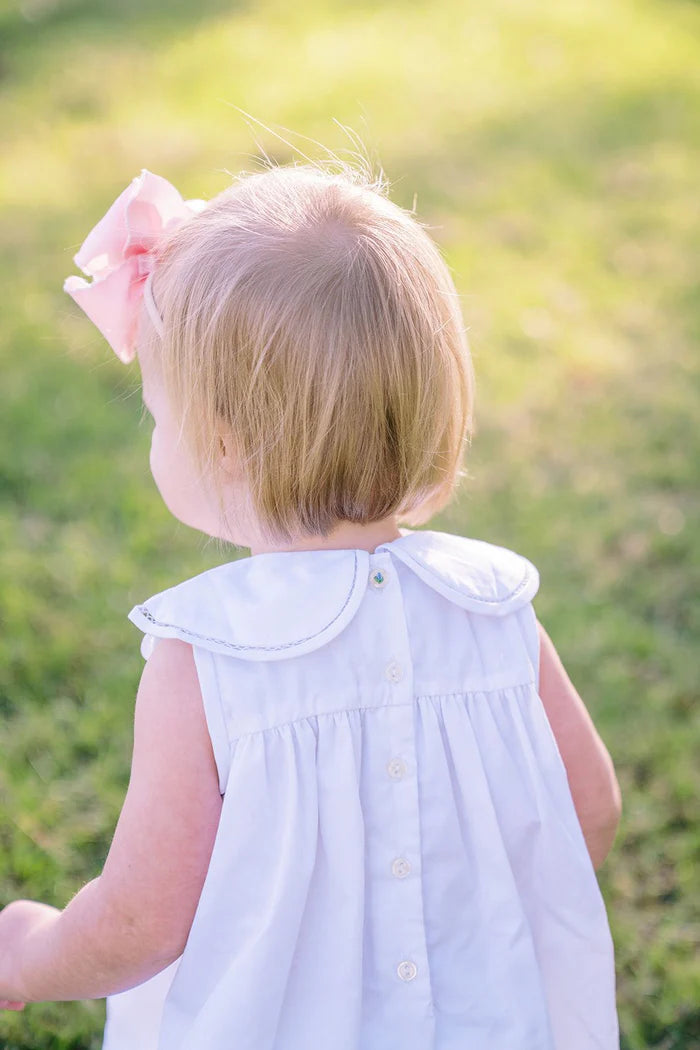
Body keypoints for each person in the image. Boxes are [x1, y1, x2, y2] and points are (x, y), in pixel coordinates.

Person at [0, 162, 622, 1049]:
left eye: (156, 412)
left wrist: (27, 951)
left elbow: (143, 919)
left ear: (221, 443)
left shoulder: (202, 655)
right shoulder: (495, 606)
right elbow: (587, 809)